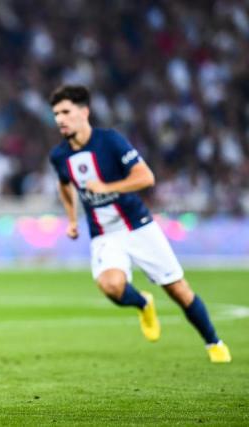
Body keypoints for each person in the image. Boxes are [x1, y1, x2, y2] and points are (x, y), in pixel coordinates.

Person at [48, 85, 231, 363]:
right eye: (56, 113)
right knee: (111, 286)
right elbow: (64, 185)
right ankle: (143, 303)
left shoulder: (110, 142)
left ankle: (213, 343)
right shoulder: (59, 156)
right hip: (104, 234)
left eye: (65, 112)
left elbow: (146, 177)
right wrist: (72, 220)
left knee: (178, 290)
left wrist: (108, 186)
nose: (60, 119)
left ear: (84, 112)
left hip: (138, 226)